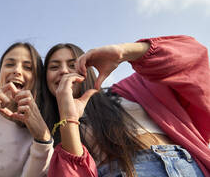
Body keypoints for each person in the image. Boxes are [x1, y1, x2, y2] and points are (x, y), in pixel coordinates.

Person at [47, 35, 210, 177]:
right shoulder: (53, 130)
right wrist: (69, 119)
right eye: (54, 67)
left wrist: (123, 52)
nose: (63, 71)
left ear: (87, 68)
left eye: (72, 64)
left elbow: (192, 55)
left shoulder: (130, 88)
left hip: (187, 166)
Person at [0, 42, 54, 177]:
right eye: (9, 64)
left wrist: (43, 140)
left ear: (37, 81)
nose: (17, 71)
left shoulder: (42, 131)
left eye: (28, 67)